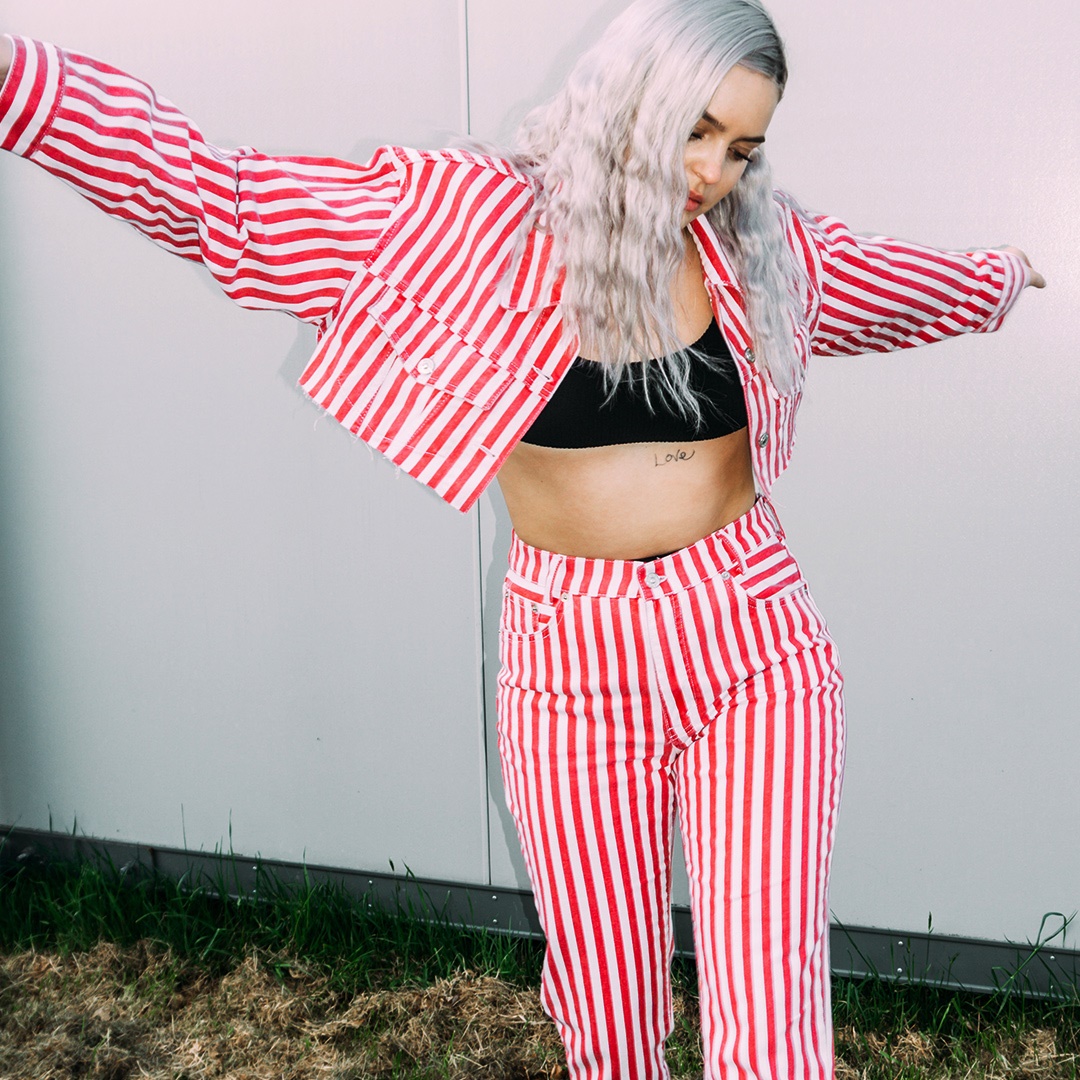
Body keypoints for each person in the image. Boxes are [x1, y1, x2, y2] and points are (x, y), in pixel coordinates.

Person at [0, 2, 1044, 1077]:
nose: (713, 171)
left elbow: (895, 284)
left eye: (742, 147)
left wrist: (1006, 275)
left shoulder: (759, 248)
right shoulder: (469, 222)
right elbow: (219, 195)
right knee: (607, 1007)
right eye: (695, 129)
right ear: (629, 97)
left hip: (754, 643)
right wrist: (19, 81)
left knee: (769, 1007)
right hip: (570, 659)